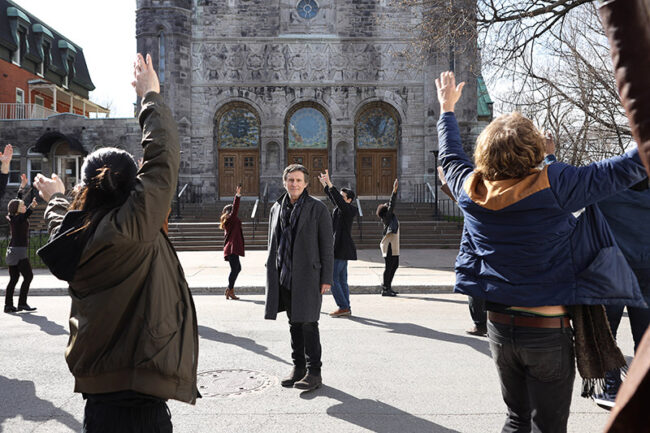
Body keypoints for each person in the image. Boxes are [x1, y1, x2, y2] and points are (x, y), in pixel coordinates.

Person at [436, 71, 647, 433]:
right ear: (533, 149)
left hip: (500, 327)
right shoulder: (556, 185)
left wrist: (447, 109)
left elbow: (451, 156)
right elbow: (630, 165)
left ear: (485, 152)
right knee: (548, 427)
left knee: (516, 418)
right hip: (546, 329)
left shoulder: (471, 189)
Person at [33, 53, 199, 432]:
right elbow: (163, 157)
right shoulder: (136, 223)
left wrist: (57, 197)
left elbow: (62, 221)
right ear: (132, 188)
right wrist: (150, 97)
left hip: (99, 395)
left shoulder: (73, 238)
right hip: (142, 392)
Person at [265, 164, 333, 392]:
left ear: (305, 184)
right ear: (284, 182)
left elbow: (327, 247)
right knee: (294, 323)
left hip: (309, 276)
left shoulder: (318, 208)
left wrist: (327, 278)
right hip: (285, 275)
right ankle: (298, 368)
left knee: (309, 323)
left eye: (298, 180)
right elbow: (272, 243)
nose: (294, 184)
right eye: (290, 180)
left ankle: (315, 372)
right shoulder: (276, 207)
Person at [594, 179, 650, 408]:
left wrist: (549, 158)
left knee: (608, 336)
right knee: (644, 338)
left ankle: (612, 389)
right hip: (646, 272)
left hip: (613, 271)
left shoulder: (605, 195)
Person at [438, 166, 487, 336]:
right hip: (487, 254)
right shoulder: (493, 200)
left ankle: (481, 324)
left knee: (475, 290)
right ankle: (484, 323)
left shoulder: (476, 204)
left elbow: (461, 199)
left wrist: (446, 182)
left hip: (477, 253)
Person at [318, 169, 358, 317]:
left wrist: (330, 183)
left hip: (342, 247)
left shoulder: (349, 210)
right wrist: (325, 186)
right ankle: (346, 306)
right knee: (341, 279)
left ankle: (343, 306)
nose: (340, 199)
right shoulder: (341, 208)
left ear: (349, 199)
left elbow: (338, 201)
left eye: (343, 197)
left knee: (333, 279)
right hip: (340, 248)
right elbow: (335, 199)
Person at [4, 174, 37, 313]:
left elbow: (17, 201)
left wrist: (22, 187)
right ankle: (22, 303)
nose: (24, 206)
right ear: (18, 209)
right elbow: (26, 212)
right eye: (23, 206)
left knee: (14, 278)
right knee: (28, 276)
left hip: (13, 251)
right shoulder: (17, 219)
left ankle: (8, 306)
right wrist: (32, 206)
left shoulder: (15, 217)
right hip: (18, 252)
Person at [376, 179, 399, 297]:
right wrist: (394, 191)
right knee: (389, 266)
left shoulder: (390, 218)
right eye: (386, 206)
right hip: (389, 244)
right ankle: (385, 288)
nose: (387, 205)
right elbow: (392, 204)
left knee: (394, 265)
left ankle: (388, 286)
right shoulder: (388, 216)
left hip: (393, 245)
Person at [221, 185, 244, 300]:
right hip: (232, 248)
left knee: (237, 268)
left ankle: (230, 289)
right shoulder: (231, 219)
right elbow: (235, 209)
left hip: (232, 248)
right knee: (235, 269)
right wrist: (238, 195)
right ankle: (230, 290)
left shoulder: (229, 221)